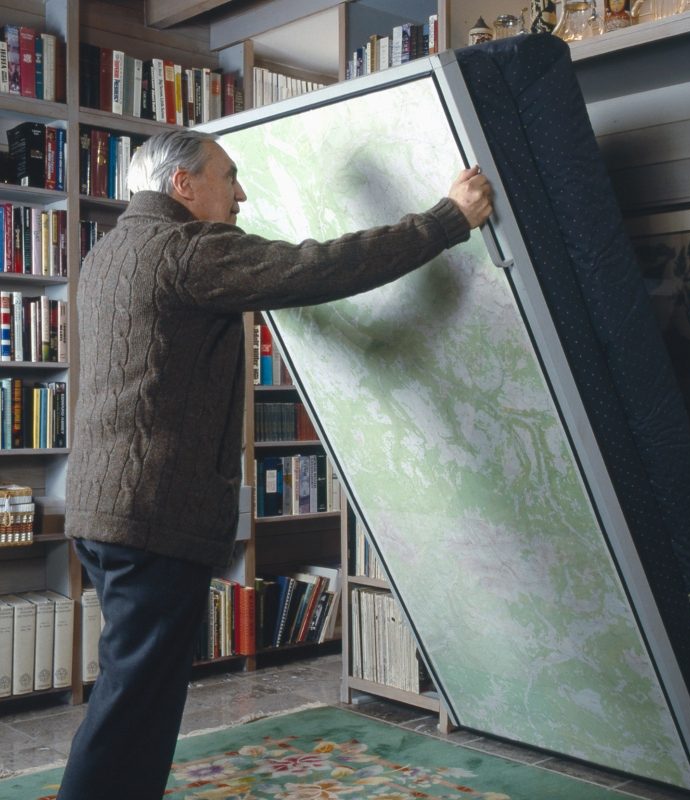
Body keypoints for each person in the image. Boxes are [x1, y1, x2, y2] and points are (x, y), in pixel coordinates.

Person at [58, 129, 492, 800]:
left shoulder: (108, 252)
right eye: (228, 177)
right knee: (131, 709)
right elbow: (317, 269)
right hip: (152, 514)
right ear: (183, 186)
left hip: (104, 511)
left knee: (132, 699)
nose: (241, 193)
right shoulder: (188, 249)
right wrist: (444, 220)